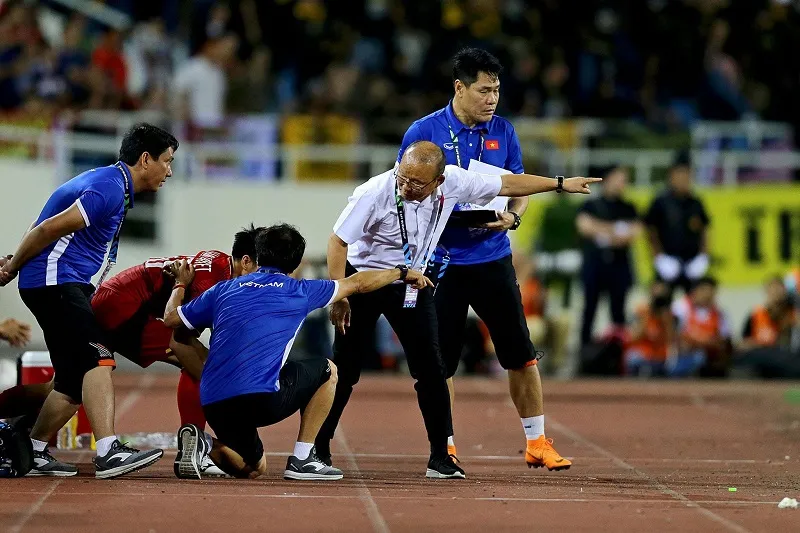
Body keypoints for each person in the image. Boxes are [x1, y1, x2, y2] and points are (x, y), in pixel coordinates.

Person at [317, 140, 599, 478]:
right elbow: (338, 241)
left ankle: (441, 457)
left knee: (432, 370)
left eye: (417, 183)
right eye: (402, 177)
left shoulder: (454, 181)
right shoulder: (374, 192)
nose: (406, 187)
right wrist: (340, 294)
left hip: (412, 279)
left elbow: (508, 184)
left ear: (439, 180)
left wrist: (560, 183)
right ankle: (318, 448)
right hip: (364, 279)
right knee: (346, 369)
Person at [396, 47, 571, 472]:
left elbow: (517, 187)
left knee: (521, 354)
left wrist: (513, 217)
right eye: (484, 91)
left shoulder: (504, 131)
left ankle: (537, 442)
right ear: (460, 88)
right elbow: (403, 191)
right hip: (441, 262)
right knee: (440, 364)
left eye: (496, 90)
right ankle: (446, 446)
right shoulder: (424, 131)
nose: (492, 99)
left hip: (493, 258)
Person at [163, 224, 434, 480]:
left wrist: (180, 284)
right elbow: (359, 282)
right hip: (260, 400)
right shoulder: (300, 290)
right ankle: (303, 458)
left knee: (253, 468)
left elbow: (171, 319)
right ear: (295, 263)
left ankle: (204, 442)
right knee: (328, 369)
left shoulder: (223, 289)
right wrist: (401, 273)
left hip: (214, 403)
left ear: (258, 255)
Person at [0, 226, 263, 478]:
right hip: (125, 309)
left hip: (116, 301)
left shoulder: (220, 264)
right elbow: (180, 330)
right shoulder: (214, 279)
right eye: (265, 269)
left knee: (65, 385)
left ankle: (25, 436)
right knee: (197, 362)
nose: (267, 277)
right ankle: (191, 447)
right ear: (246, 262)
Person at [0, 123, 177, 479]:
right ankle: (109, 451)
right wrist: (13, 266)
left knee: (70, 381)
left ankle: (33, 450)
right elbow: (47, 228)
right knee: (98, 358)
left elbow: (43, 222)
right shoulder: (108, 189)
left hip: (63, 281)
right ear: (145, 159)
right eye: (167, 161)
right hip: (55, 281)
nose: (169, 171)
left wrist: (17, 261)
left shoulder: (112, 185)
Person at [576, 166, 642, 347]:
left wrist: (601, 231)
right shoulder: (591, 205)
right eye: (618, 179)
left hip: (619, 265)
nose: (622, 184)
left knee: (619, 311)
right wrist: (616, 230)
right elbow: (584, 227)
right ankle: (585, 349)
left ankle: (618, 350)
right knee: (589, 309)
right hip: (595, 265)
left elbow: (634, 232)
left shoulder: (629, 207)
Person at [644, 152, 711, 295]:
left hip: (691, 263)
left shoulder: (695, 202)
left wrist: (703, 256)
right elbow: (650, 230)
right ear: (671, 175)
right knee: (660, 298)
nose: (684, 179)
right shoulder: (661, 201)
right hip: (668, 261)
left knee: (697, 301)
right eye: (680, 174)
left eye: (687, 175)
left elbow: (705, 229)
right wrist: (659, 258)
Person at [671, 276, 732, 377]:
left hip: (709, 354)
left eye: (711, 292)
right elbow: (673, 334)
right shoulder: (679, 308)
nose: (707, 295)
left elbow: (725, 338)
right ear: (695, 291)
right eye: (704, 291)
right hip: (684, 353)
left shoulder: (720, 313)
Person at [624, 281, 675, 377]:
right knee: (632, 357)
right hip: (643, 355)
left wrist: (667, 323)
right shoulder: (642, 311)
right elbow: (634, 338)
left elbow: (671, 341)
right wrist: (646, 318)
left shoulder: (669, 315)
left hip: (660, 356)